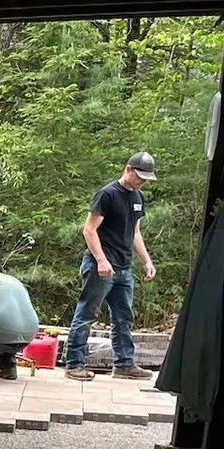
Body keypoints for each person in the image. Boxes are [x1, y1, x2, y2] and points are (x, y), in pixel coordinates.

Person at [64, 151, 159, 381]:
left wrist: (146, 260)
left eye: (146, 179)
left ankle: (124, 363)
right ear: (128, 169)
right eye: (139, 176)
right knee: (87, 312)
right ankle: (75, 363)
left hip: (124, 268)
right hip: (101, 266)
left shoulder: (138, 198)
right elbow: (89, 229)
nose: (141, 182)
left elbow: (135, 232)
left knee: (123, 316)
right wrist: (101, 259)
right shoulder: (107, 195)